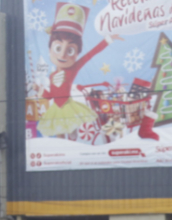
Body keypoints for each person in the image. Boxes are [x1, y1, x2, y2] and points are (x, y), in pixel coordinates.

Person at [37, 4, 117, 144]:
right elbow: (51, 95)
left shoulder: (72, 69)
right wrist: (41, 91)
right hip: (57, 109)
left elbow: (89, 55)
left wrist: (107, 40)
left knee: (70, 132)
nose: (62, 54)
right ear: (50, 49)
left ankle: (73, 146)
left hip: (68, 107)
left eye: (70, 50)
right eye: (57, 47)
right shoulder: (51, 76)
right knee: (59, 135)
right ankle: (65, 151)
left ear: (77, 53)